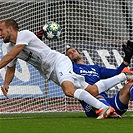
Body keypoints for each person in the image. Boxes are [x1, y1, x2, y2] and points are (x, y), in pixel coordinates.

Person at [0, 18, 132, 119]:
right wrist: (6, 84)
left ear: (11, 28)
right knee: (92, 90)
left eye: (1, 30)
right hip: (52, 73)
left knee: (69, 91)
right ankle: (124, 76)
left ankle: (104, 109)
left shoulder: (24, 34)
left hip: (58, 62)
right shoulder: (11, 48)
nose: (0, 34)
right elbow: (11, 68)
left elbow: (12, 54)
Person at [66, 47, 133, 118]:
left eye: (73, 51)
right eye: (69, 54)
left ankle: (110, 110)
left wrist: (127, 58)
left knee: (130, 85)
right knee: (95, 95)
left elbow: (116, 73)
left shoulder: (95, 68)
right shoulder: (71, 68)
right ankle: (106, 110)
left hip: (109, 102)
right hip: (92, 105)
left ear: (80, 54)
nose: (72, 53)